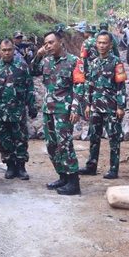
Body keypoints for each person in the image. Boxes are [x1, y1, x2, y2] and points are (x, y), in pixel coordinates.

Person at [31, 30, 85, 195]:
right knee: (52, 145)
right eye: (46, 43)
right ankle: (62, 176)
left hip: (64, 110)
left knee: (65, 145)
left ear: (61, 42)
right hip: (48, 109)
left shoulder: (73, 61)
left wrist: (75, 107)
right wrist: (38, 55)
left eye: (51, 42)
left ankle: (74, 182)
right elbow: (32, 71)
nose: (48, 46)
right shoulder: (46, 61)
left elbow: (79, 86)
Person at [0, 39, 36, 180]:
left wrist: (32, 105)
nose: (7, 53)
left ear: (14, 50)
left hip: (18, 111)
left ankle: (21, 167)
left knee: (21, 139)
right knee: (3, 139)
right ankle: (9, 165)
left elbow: (30, 87)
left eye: (9, 50)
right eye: (4, 50)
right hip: (0, 112)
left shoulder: (22, 67)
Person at [81, 32, 127, 179]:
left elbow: (121, 86)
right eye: (99, 42)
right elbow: (89, 84)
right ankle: (91, 166)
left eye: (104, 43)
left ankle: (114, 169)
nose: (101, 45)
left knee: (114, 138)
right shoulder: (93, 62)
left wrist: (120, 106)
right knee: (93, 136)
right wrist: (88, 104)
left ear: (110, 45)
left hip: (111, 107)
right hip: (95, 106)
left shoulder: (116, 62)